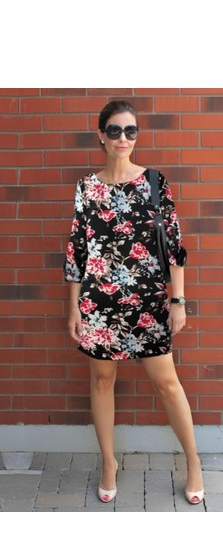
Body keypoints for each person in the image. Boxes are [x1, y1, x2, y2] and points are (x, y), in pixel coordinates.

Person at [64, 100, 204, 505]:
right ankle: (109, 463)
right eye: (114, 130)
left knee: (166, 382)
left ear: (137, 135)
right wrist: (73, 307)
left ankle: (193, 461)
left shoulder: (155, 182)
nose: (122, 138)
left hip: (148, 299)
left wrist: (178, 300)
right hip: (98, 301)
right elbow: (77, 251)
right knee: (102, 380)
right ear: (101, 136)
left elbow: (174, 246)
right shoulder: (87, 187)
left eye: (130, 131)